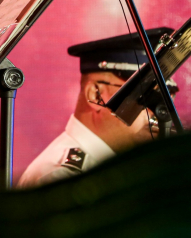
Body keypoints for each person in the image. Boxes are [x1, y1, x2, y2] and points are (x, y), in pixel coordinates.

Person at [17, 27, 176, 189]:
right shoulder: (60, 176)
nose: (156, 110)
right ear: (95, 95)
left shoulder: (115, 168)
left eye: (167, 95)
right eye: (144, 93)